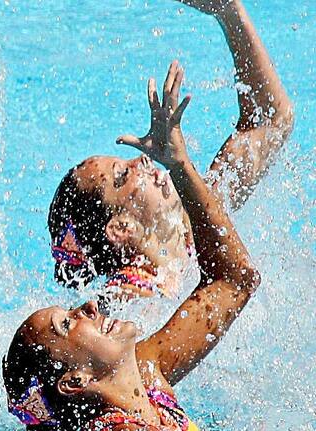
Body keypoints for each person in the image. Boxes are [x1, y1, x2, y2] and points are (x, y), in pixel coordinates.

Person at [3, 62, 260, 431]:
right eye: (68, 323)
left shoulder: (147, 374)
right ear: (75, 381)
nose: (88, 305)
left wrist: (180, 166)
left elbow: (235, 282)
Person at [48, 0, 289, 305]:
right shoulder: (124, 306)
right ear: (122, 228)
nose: (142, 160)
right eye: (123, 174)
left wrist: (230, 14)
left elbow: (271, 122)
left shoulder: (198, 222)